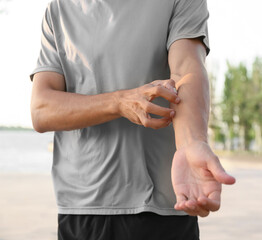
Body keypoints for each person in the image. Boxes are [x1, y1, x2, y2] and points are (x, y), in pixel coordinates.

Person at [30, 0, 236, 239]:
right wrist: (119, 102)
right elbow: (41, 109)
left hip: (164, 206)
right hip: (82, 207)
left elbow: (186, 68)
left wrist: (192, 143)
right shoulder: (59, 9)